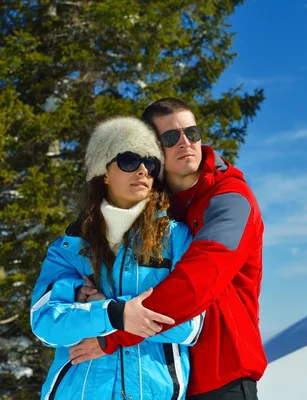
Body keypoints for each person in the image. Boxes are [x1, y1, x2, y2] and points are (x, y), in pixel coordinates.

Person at [69, 98, 267, 400]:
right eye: (171, 137)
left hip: (221, 375)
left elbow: (196, 282)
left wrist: (114, 329)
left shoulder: (230, 200)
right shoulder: (151, 206)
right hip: (165, 379)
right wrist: (83, 291)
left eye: (193, 132)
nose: (186, 143)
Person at [30, 117, 204, 399]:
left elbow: (190, 325)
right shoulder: (71, 246)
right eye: (129, 160)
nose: (143, 170)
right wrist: (116, 314)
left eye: (151, 163)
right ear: (105, 172)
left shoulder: (175, 238)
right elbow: (46, 323)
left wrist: (100, 311)